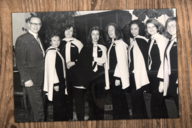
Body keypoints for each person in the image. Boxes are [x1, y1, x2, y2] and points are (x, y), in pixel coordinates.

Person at [15, 16, 45, 121]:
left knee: (36, 109)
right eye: (34, 24)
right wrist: (26, 79)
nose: (36, 26)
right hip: (31, 80)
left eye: (39, 24)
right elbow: (20, 61)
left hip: (39, 79)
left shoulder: (38, 39)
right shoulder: (22, 39)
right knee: (39, 110)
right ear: (29, 24)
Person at [77, 26, 107, 120]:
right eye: (93, 34)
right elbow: (82, 63)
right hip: (90, 77)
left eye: (97, 34)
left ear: (100, 36)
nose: (95, 36)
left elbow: (105, 62)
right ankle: (92, 119)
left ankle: (100, 119)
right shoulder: (85, 48)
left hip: (100, 76)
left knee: (100, 100)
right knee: (91, 100)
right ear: (90, 35)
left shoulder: (103, 47)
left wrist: (93, 60)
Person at [105, 23, 129, 119]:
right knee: (118, 98)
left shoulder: (120, 44)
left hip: (117, 76)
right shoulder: (112, 43)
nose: (110, 32)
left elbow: (122, 62)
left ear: (117, 31)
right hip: (112, 76)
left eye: (112, 30)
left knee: (118, 99)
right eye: (108, 30)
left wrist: (118, 77)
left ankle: (119, 119)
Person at [59, 24, 83, 120]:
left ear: (74, 32)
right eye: (66, 30)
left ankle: (80, 118)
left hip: (76, 73)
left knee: (78, 97)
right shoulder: (59, 43)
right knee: (66, 96)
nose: (68, 33)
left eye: (71, 31)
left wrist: (74, 62)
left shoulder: (78, 43)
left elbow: (84, 58)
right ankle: (68, 117)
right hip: (64, 73)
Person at [146, 18, 169, 118]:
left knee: (156, 104)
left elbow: (164, 62)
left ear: (157, 27)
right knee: (159, 104)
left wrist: (162, 81)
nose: (150, 29)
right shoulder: (152, 39)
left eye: (153, 27)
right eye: (148, 27)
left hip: (159, 76)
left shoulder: (161, 39)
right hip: (153, 76)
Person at [127, 20, 150, 118]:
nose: (133, 31)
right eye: (131, 29)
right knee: (137, 100)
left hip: (138, 75)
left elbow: (145, 60)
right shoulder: (135, 41)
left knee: (136, 100)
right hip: (134, 74)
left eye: (135, 29)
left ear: (140, 29)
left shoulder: (141, 40)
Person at [43, 32, 68, 121]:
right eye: (54, 40)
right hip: (56, 83)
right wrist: (55, 84)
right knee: (58, 105)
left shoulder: (56, 51)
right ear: (50, 42)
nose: (56, 42)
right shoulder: (51, 52)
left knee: (61, 104)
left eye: (58, 40)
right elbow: (52, 70)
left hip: (61, 81)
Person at [164, 17, 178, 110]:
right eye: (168, 26)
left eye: (173, 25)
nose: (170, 28)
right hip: (172, 76)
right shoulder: (171, 40)